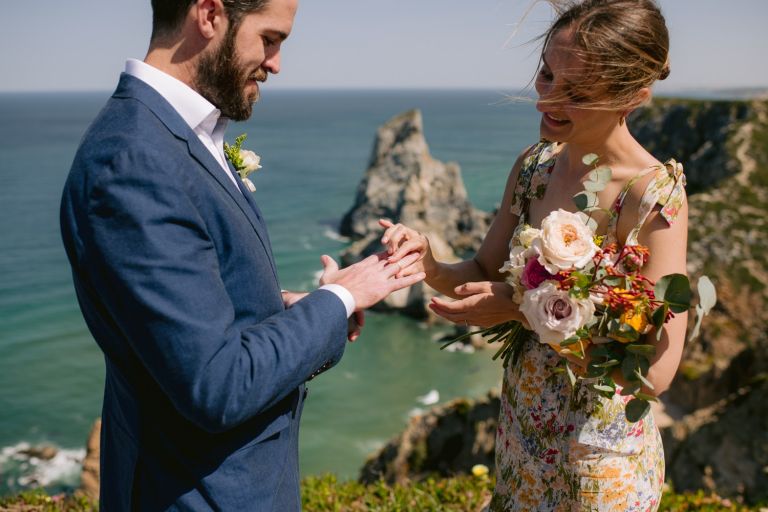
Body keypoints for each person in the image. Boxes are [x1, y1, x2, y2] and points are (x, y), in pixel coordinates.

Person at [59, 0, 424, 510]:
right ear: (209, 14)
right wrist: (342, 296)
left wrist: (301, 314)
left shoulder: (178, 138)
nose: (276, 64)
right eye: (270, 39)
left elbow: (196, 314)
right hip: (199, 495)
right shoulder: (134, 163)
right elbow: (217, 385)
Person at [381, 0, 686, 509]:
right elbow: (482, 273)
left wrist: (524, 307)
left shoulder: (653, 195)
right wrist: (429, 263)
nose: (548, 99)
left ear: (632, 95)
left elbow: (653, 370)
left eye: (577, 91)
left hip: (599, 463)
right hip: (522, 440)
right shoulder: (534, 168)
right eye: (546, 76)